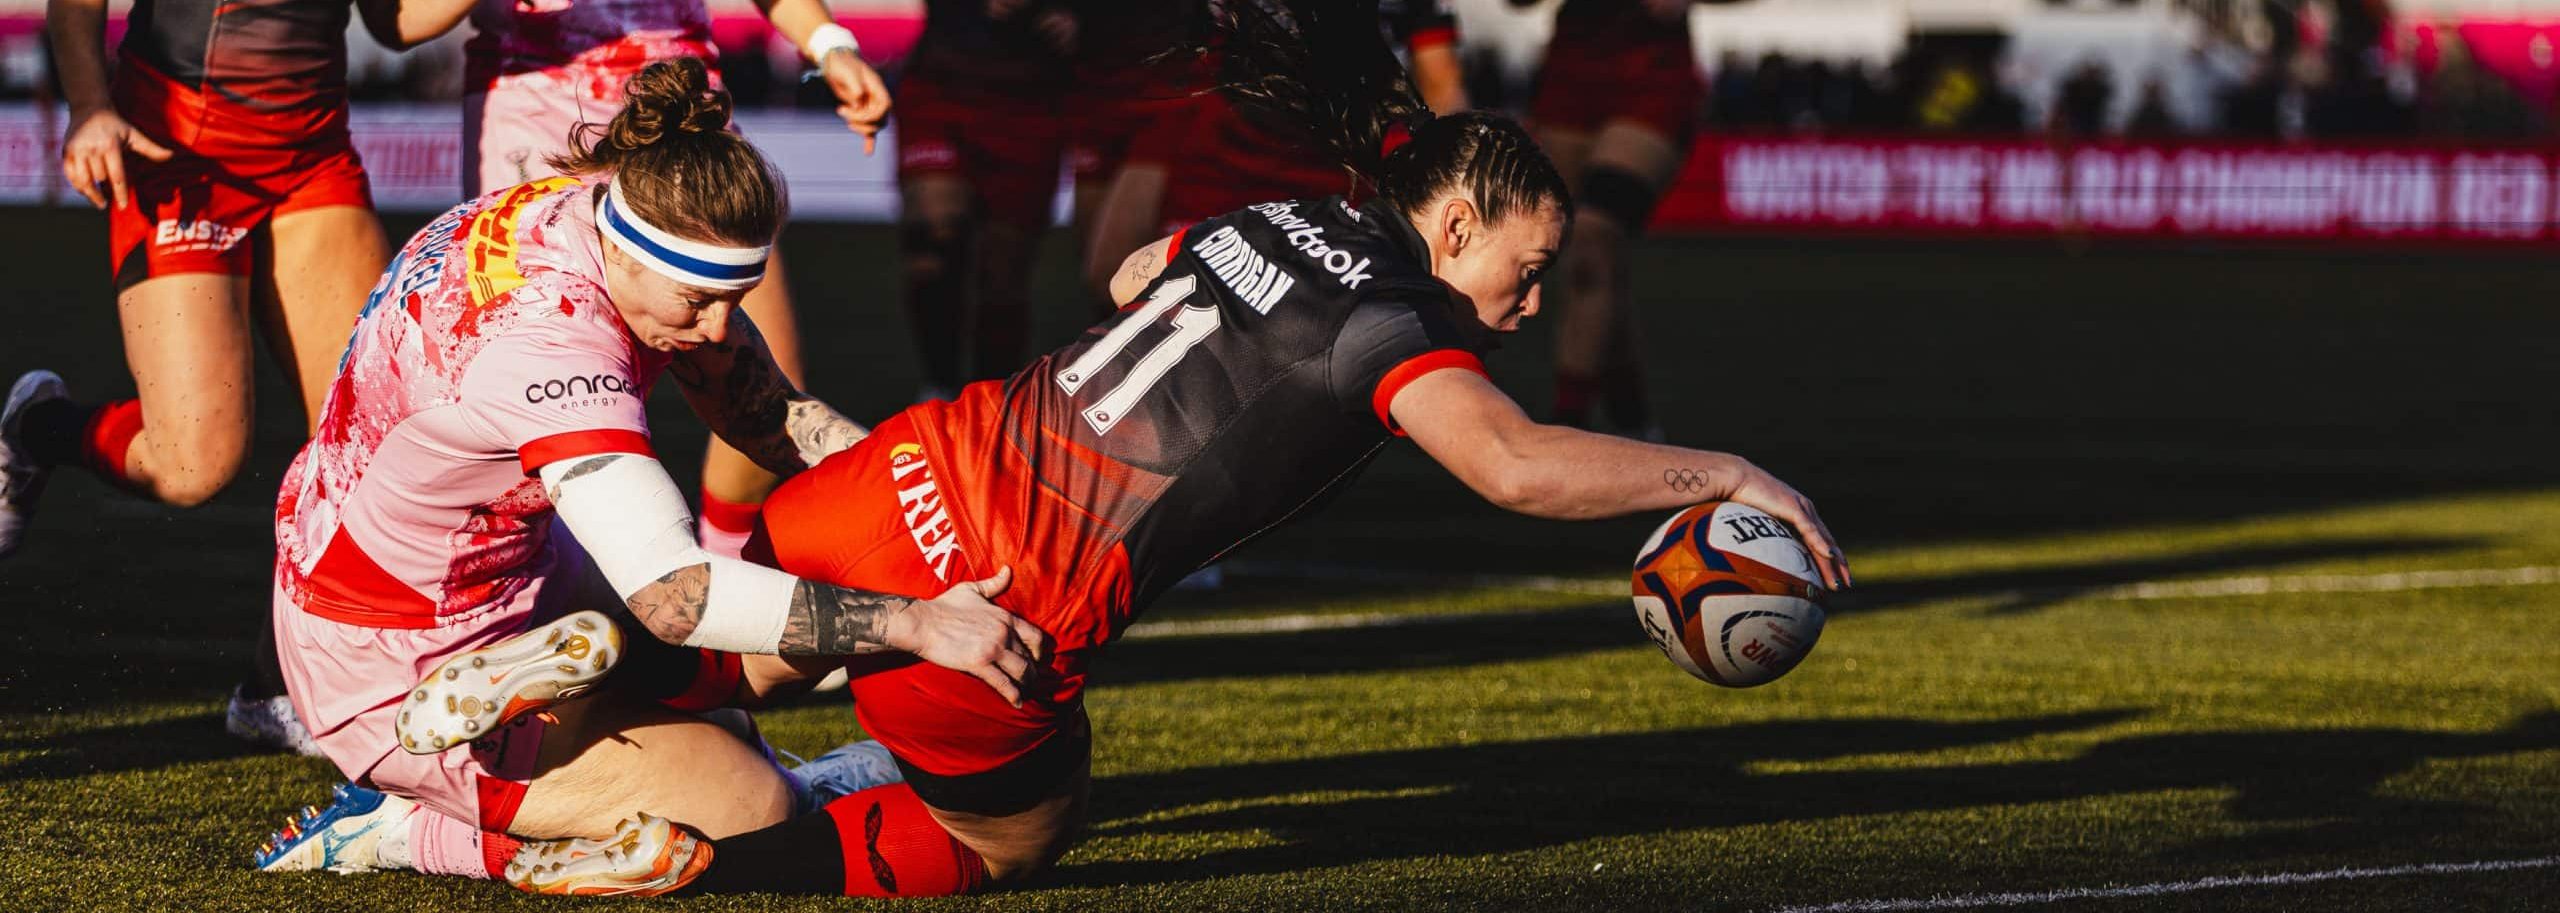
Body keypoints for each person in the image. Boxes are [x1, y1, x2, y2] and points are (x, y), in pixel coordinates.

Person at [365, 0, 1850, 897]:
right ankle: (710, 854)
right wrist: (1726, 472)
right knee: (1009, 844)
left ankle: (538, 720)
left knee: (735, 664)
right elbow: (1517, 466)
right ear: (1452, 226)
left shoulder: (1287, 220)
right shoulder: (1395, 321)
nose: (1519, 312)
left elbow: (1141, 272)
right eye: (1518, 275)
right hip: (996, 597)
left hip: (899, 470)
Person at [246, 58, 1046, 885]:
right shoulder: (550, 340)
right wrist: (918, 623)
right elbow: (674, 593)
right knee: (761, 809)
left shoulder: (592, 207)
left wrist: (927, 498)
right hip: (386, 661)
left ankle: (567, 697)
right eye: (697, 301)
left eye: (738, 296)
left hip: (473, 570)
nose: (717, 329)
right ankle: (403, 825)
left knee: (745, 694)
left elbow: (762, 411)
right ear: (628, 253)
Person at [3, 0, 415, 753]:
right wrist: (91, 105)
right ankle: (40, 428)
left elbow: (392, 24)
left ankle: (275, 686)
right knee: (195, 463)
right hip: (176, 150)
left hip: (313, 155)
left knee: (369, 444)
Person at [348, 0, 894, 558]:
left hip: (685, 119)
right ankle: (526, 593)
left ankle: (723, 576)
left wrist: (829, 44)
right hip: (542, 132)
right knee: (548, 401)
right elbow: (399, 24)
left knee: (760, 383)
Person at [1078, 0, 1469, 304]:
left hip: (1336, 153)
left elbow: (1442, 85)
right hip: (1224, 128)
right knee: (1118, 273)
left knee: (1313, 308)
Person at [1521, 0, 1731, 435]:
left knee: (1593, 236)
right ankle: (1631, 415)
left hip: (1653, 79)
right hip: (1570, 75)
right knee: (1592, 261)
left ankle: (1568, 425)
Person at [896, 0, 1081, 400]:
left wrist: (1082, 18)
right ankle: (938, 389)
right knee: (933, 233)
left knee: (1004, 273)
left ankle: (990, 404)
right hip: (944, 82)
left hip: (1032, 98)